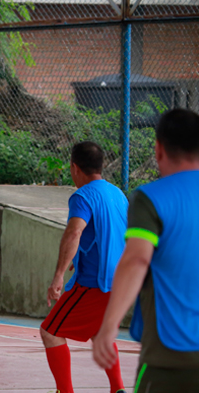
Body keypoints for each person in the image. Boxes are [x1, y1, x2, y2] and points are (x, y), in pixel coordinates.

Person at [93, 109, 199, 392]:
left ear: (159, 148)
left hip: (170, 354)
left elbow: (137, 259)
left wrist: (109, 324)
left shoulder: (150, 198)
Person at [40, 141, 127, 393]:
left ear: (75, 168)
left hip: (94, 283)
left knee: (50, 332)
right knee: (100, 333)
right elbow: (116, 234)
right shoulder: (118, 194)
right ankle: (118, 388)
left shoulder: (82, 196)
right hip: (120, 281)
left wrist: (58, 275)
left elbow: (74, 232)